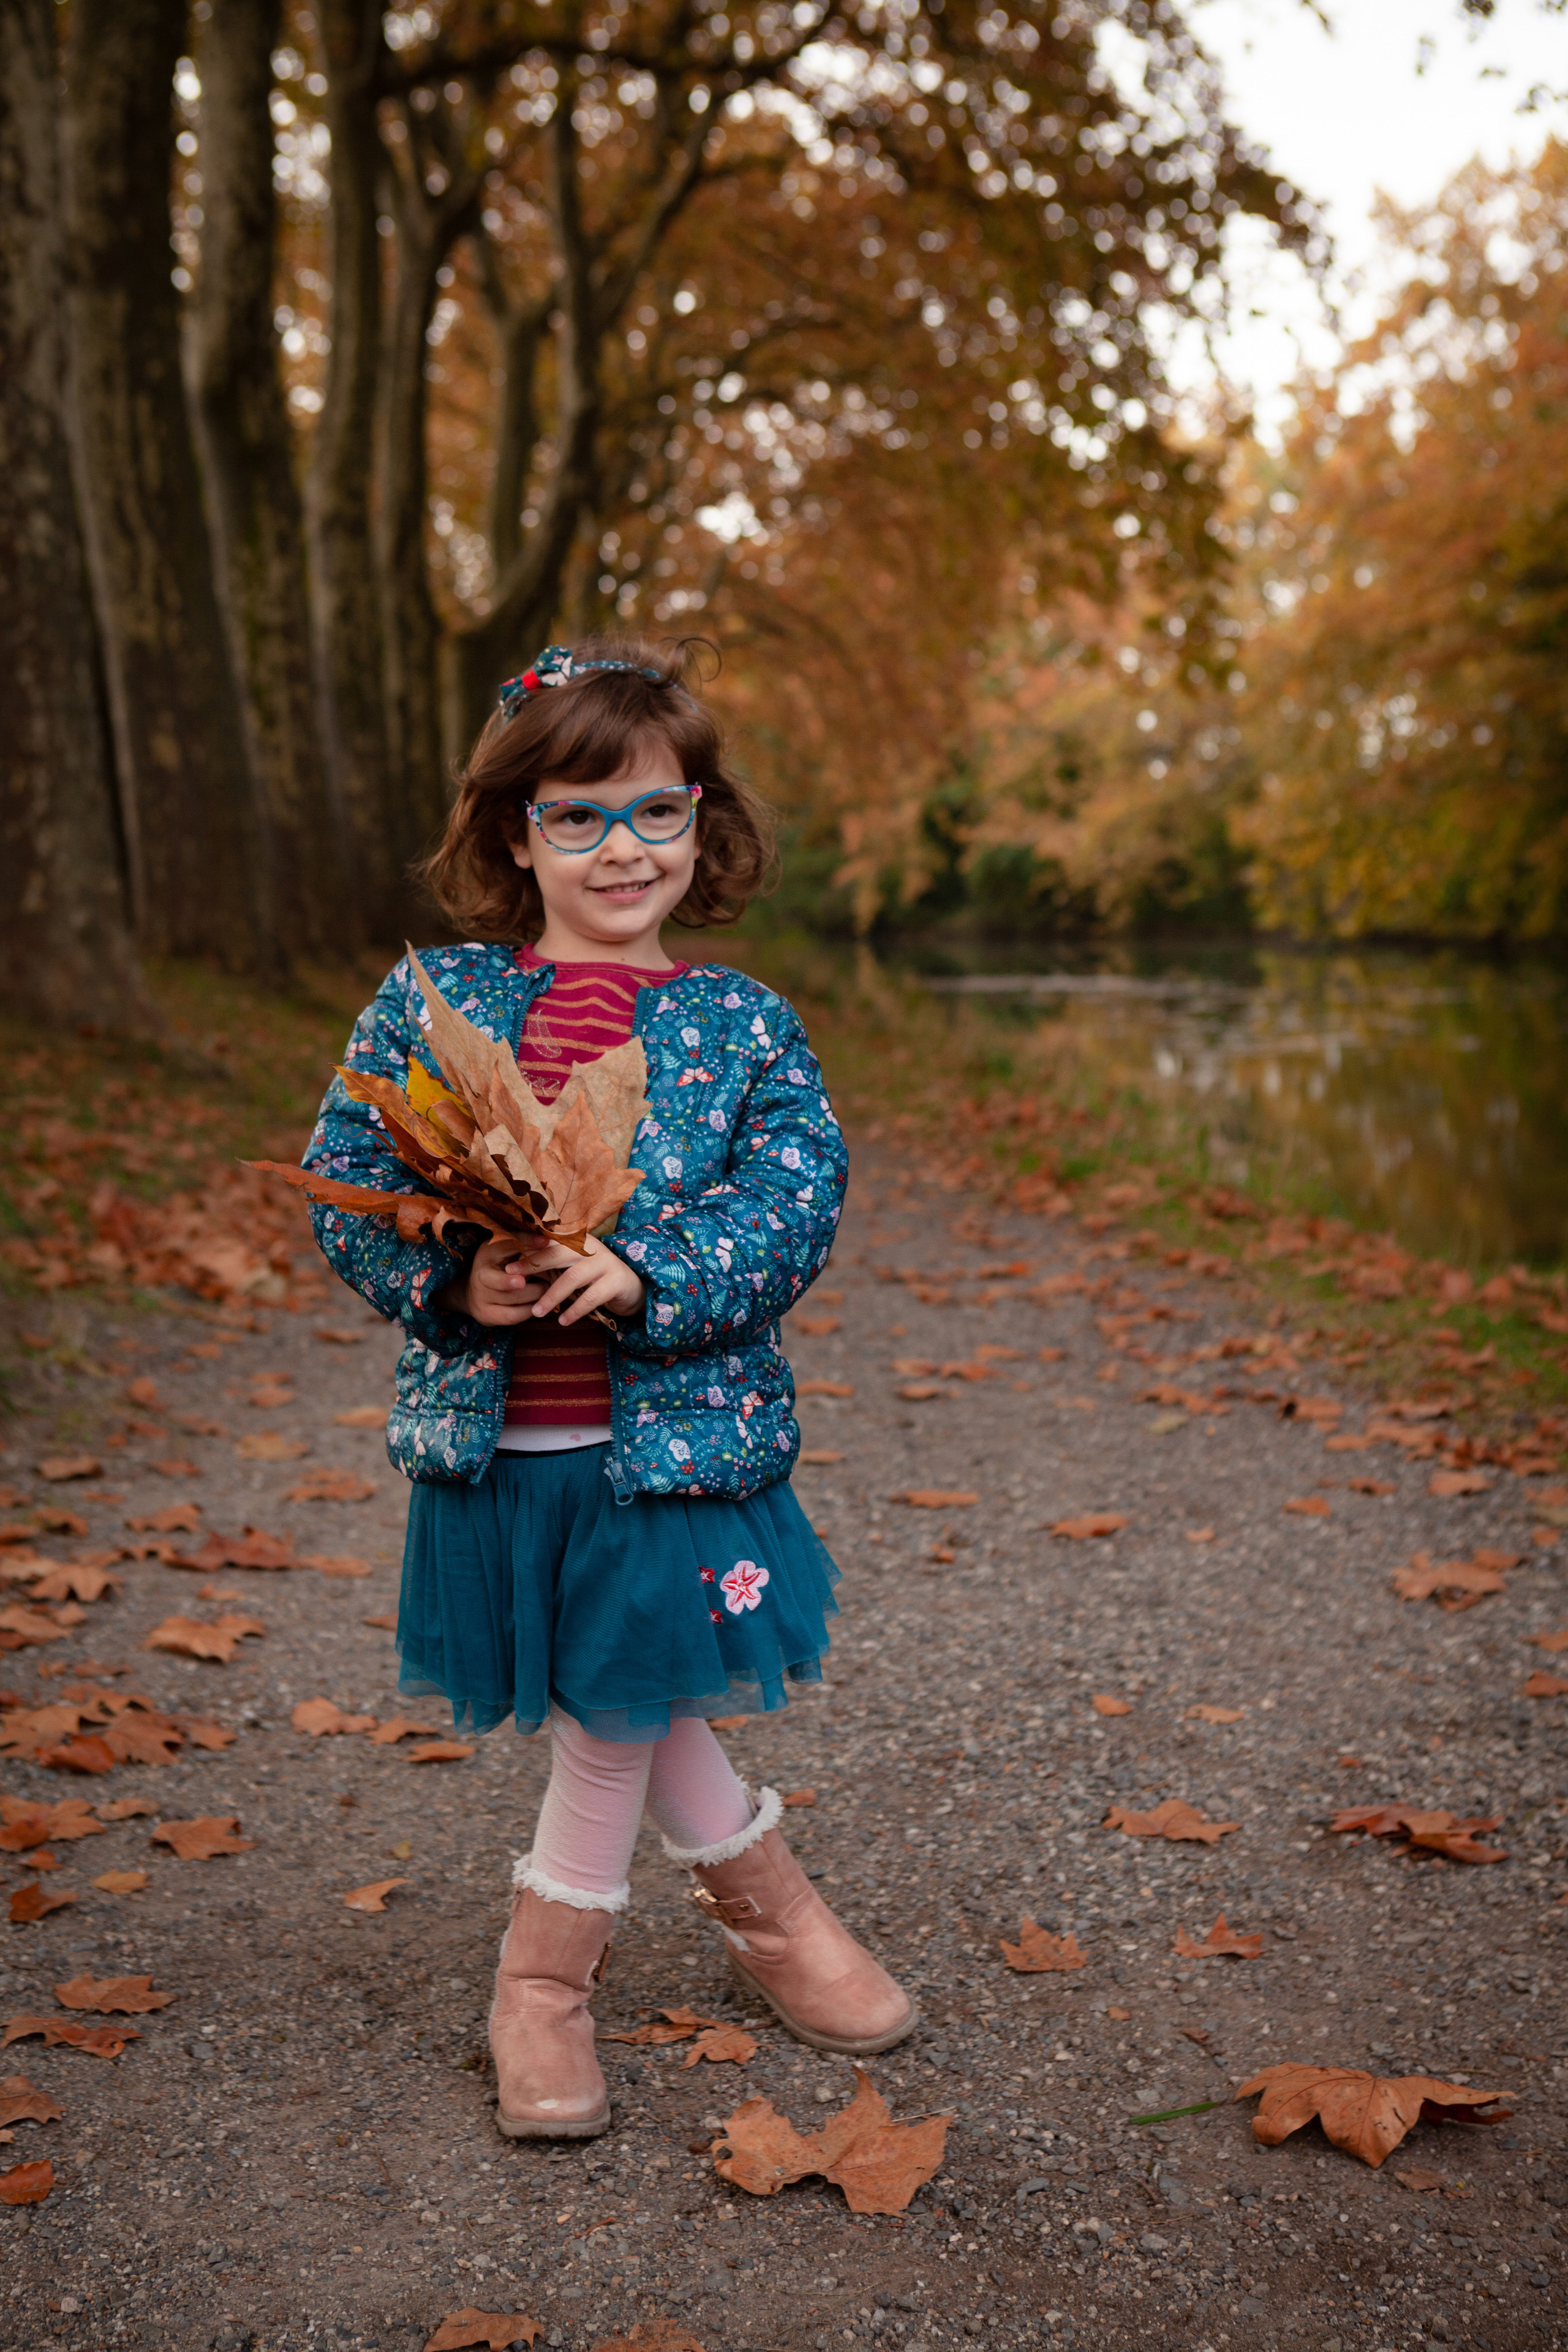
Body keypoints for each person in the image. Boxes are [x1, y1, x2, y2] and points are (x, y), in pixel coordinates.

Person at [303, 636, 915, 2140]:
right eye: (577, 815)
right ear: (517, 832)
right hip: (509, 1441)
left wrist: (651, 1274)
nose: (620, 847)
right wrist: (454, 1277)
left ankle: (543, 1986)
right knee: (621, 1689)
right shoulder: (430, 1004)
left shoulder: (742, 1025)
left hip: (678, 1445)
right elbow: (349, 1182)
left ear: (701, 823)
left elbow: (793, 1197)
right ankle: (773, 1912)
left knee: (614, 1695)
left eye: (655, 809)